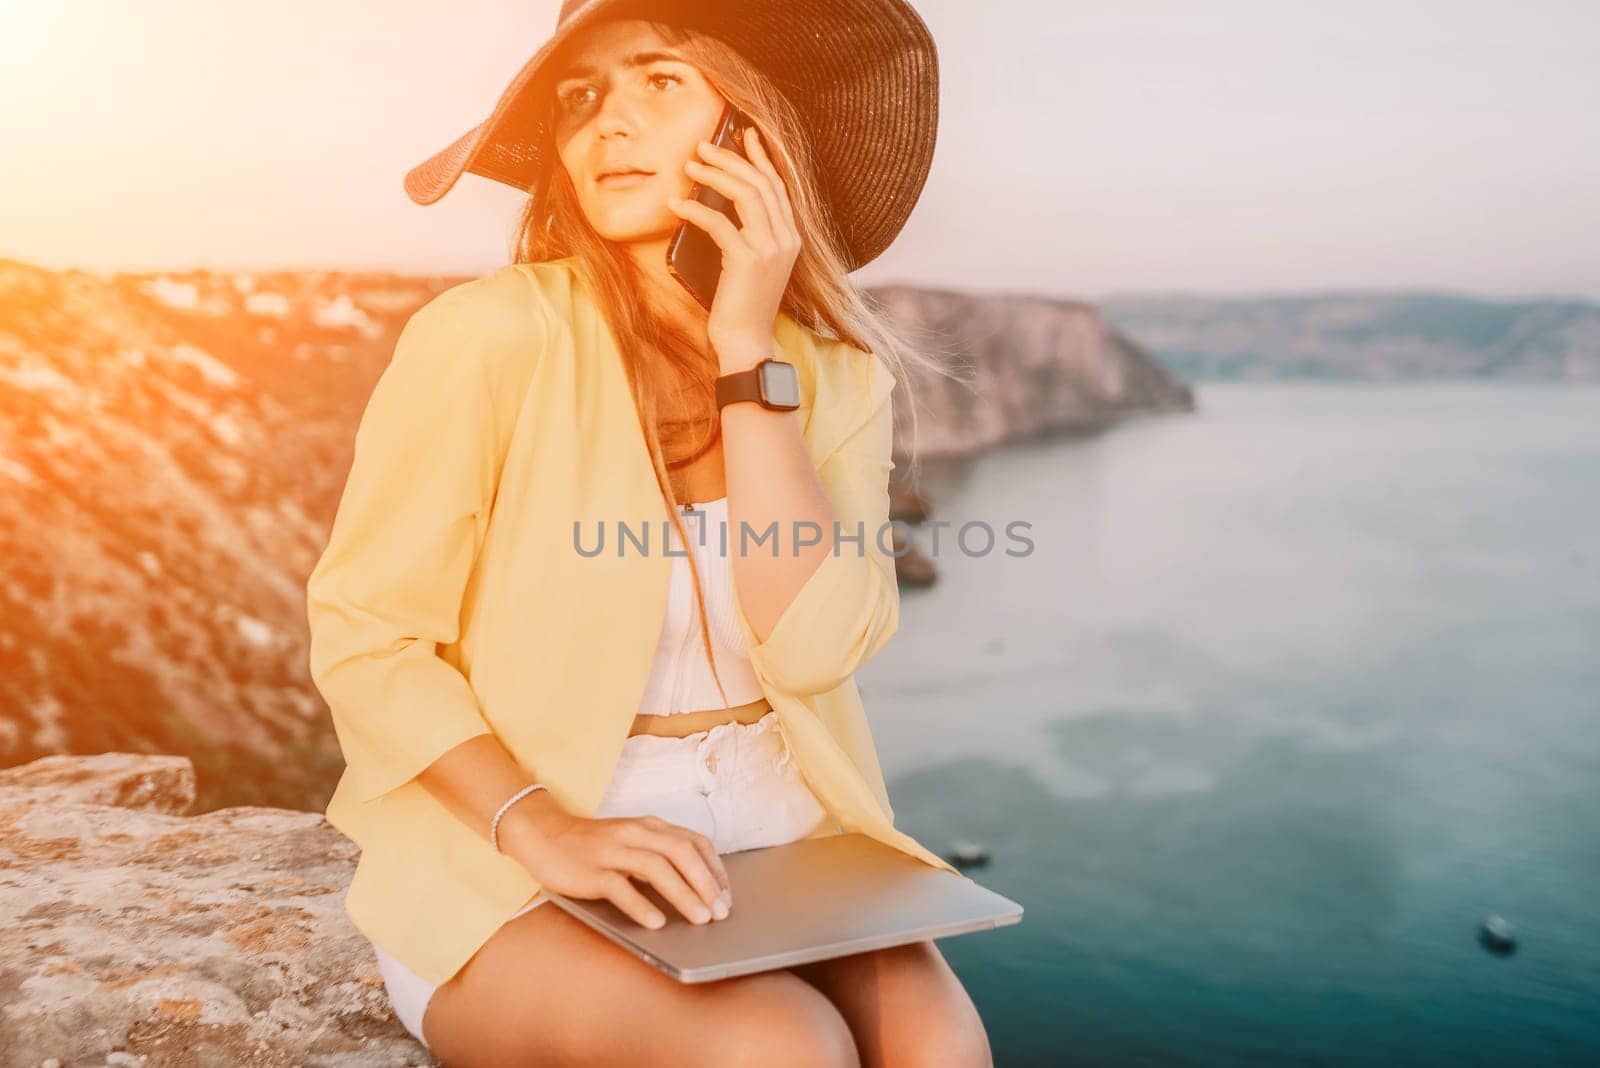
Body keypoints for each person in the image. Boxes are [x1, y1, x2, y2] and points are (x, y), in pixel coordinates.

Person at [305, 1, 990, 1064]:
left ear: (751, 132)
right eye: (579, 98)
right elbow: (367, 638)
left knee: (936, 1043)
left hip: (782, 830)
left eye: (659, 81)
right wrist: (542, 825)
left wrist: (743, 352)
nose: (606, 122)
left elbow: (813, 648)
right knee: (779, 1047)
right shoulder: (487, 338)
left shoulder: (832, 375)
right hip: (518, 845)